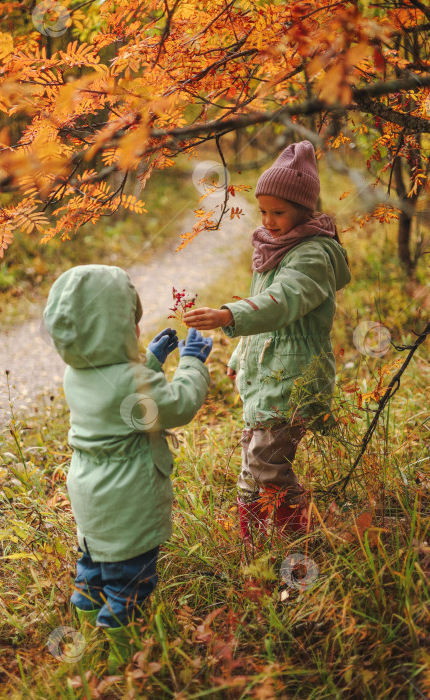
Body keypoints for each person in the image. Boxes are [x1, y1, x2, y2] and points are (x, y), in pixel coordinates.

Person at [43, 264, 212, 671]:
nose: (135, 331)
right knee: (130, 583)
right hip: (127, 500)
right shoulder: (130, 381)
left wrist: (150, 362)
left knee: (93, 570)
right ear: (114, 331)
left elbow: (126, 405)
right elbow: (176, 406)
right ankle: (124, 663)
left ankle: (85, 639)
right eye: (128, 324)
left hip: (89, 495)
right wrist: (191, 364)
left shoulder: (76, 373)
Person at [183, 140, 350, 542]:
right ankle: (253, 543)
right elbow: (266, 314)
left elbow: (282, 302)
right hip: (268, 374)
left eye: (280, 212)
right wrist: (242, 351)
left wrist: (228, 315)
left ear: (304, 210)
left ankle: (298, 537)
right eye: (264, 211)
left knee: (268, 464)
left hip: (293, 375)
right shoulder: (275, 247)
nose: (270, 221)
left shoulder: (313, 254)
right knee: (252, 460)